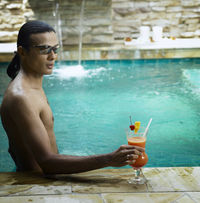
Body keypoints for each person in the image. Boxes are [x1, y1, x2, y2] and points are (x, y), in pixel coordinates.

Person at [0, 20, 143, 174]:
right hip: (36, 186)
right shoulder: (21, 97)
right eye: (44, 50)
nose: (52, 56)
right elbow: (46, 162)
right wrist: (108, 159)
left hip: (47, 178)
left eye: (55, 49)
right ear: (22, 52)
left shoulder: (33, 86)